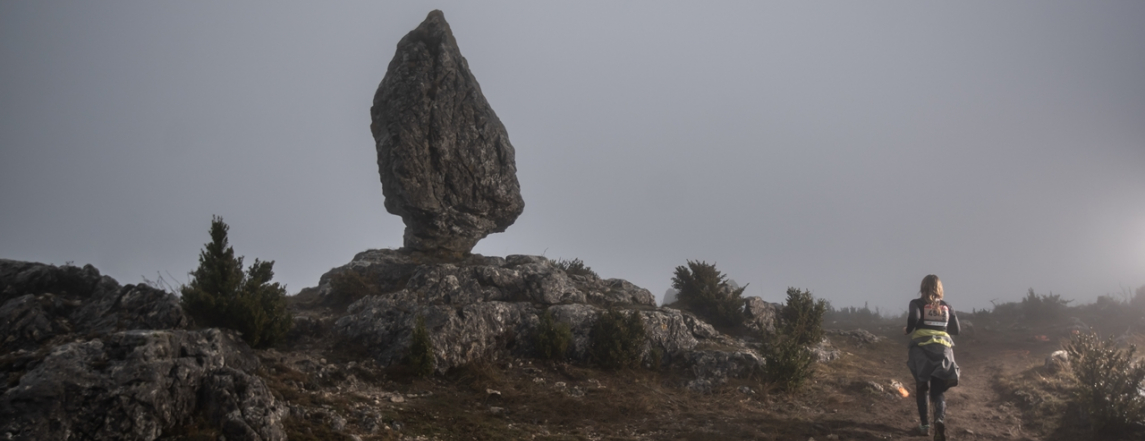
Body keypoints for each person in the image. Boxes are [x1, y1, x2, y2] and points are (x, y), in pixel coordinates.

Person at [904, 274, 961, 441]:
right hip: (943, 350)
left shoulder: (916, 303)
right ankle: (939, 420)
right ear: (939, 289)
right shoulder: (946, 306)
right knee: (937, 390)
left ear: (922, 287)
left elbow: (914, 318)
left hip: (922, 350)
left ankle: (924, 426)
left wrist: (907, 329)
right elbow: (956, 330)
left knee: (922, 386)